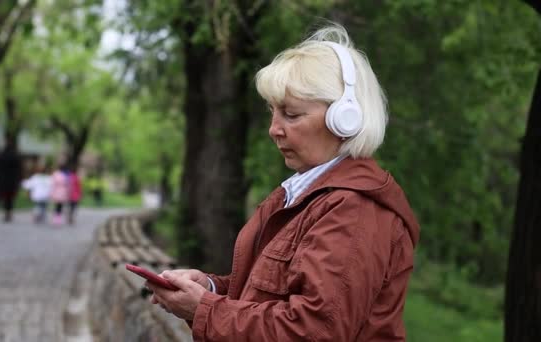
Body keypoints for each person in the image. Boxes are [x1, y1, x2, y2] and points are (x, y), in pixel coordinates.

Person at [146, 23, 420, 341]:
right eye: (273, 112)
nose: (274, 129)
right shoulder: (304, 194)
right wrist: (209, 288)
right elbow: (268, 295)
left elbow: (311, 331)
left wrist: (204, 309)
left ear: (345, 118)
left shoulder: (354, 210)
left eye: (291, 115)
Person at [0, 141, 22, 223]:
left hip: (2, 180)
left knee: (4, 197)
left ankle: (5, 213)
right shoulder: (15, 157)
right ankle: (9, 213)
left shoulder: (0, 156)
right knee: (10, 198)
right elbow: (19, 170)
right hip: (12, 181)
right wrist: (19, 179)